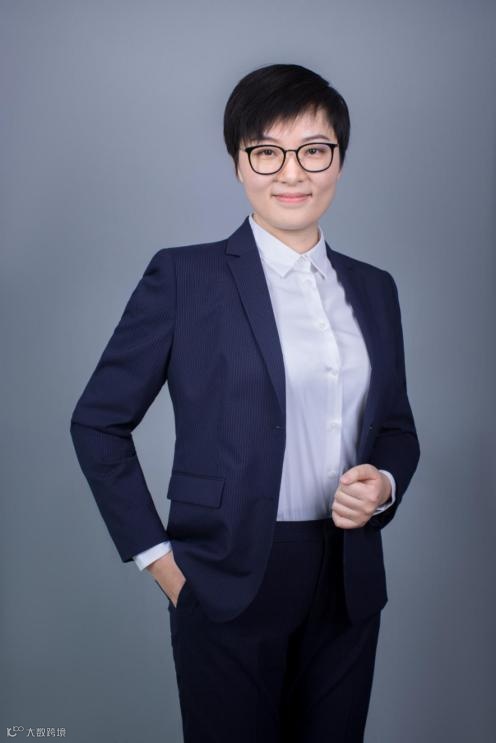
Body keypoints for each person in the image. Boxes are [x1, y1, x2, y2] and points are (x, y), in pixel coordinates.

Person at [70, 63, 420, 743]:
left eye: (313, 150)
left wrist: (382, 482)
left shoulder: (375, 288)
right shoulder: (185, 277)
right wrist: (160, 562)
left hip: (349, 579)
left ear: (339, 160)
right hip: (223, 575)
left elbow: (398, 427)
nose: (292, 173)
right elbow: (97, 422)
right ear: (238, 162)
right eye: (266, 151)